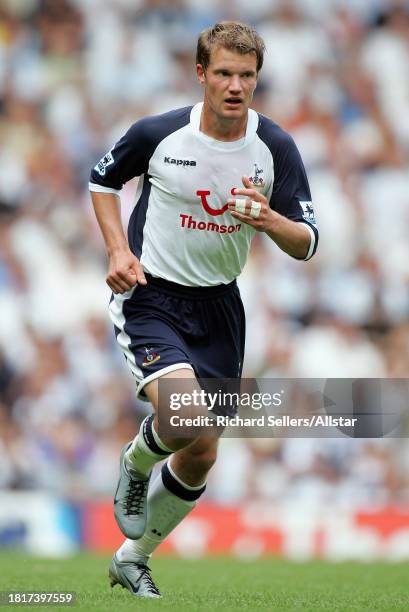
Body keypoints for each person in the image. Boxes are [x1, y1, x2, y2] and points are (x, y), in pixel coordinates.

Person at [89, 20, 318, 599]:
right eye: (223, 73)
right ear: (201, 75)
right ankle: (137, 464)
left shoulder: (276, 148)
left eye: (246, 75)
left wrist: (269, 219)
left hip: (220, 305)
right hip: (151, 295)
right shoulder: (159, 134)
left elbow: (308, 242)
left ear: (257, 80)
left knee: (202, 452)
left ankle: (131, 558)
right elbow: (102, 180)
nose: (235, 85)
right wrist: (118, 248)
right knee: (185, 418)